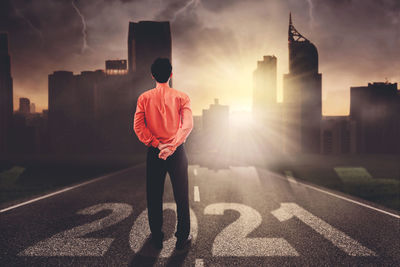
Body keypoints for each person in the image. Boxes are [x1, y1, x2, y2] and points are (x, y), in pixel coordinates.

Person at [133, 57, 194, 250]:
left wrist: (158, 145)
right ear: (171, 74)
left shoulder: (144, 98)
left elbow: (138, 126)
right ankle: (182, 236)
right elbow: (187, 125)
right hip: (177, 152)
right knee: (182, 195)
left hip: (154, 153)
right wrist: (173, 146)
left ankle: (157, 236)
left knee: (154, 194)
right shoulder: (182, 97)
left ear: (152, 75)